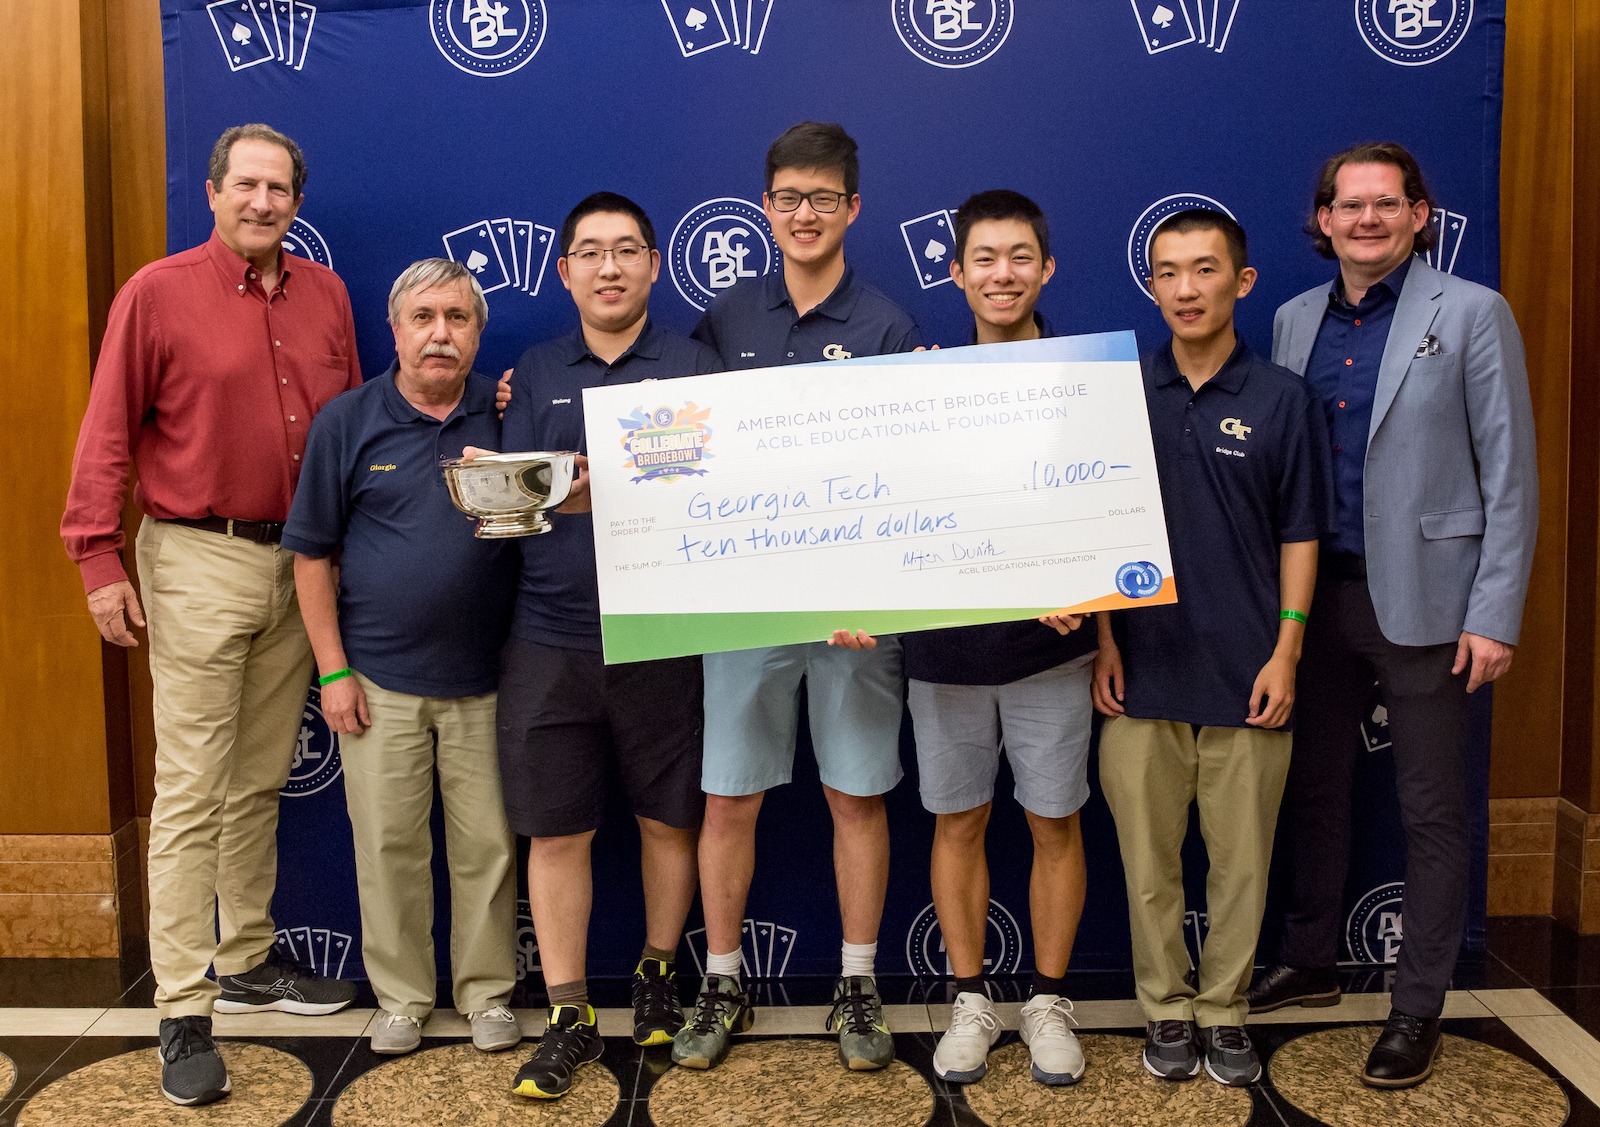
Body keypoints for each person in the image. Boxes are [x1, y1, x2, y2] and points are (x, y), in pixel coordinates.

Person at [60, 123, 358, 1106]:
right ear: (213, 191)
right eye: (247, 184)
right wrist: (98, 554)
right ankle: (183, 1008)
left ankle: (249, 955)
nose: (263, 201)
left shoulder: (326, 297)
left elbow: (352, 426)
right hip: (194, 556)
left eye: (279, 187)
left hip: (296, 565)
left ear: (296, 202)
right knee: (189, 786)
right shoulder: (156, 291)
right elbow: (106, 430)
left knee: (259, 778)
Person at [1248, 141, 1538, 1089]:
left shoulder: (1473, 313)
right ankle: (1309, 957)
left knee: (1430, 811)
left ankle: (1417, 1008)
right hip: (1311, 600)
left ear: (1419, 214)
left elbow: (1510, 475)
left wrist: (1494, 611)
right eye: (1348, 205)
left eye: (1386, 203)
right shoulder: (1291, 319)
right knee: (1314, 787)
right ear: (1323, 220)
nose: (1366, 219)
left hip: (1430, 601)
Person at [672, 121, 920, 1073]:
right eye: (787, 198)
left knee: (856, 795)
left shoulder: (889, 326)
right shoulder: (726, 318)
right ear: (766, 207)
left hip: (856, 613)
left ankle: (857, 986)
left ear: (853, 206)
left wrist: (881, 587)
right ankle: (723, 979)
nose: (804, 214)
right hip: (742, 605)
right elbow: (677, 445)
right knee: (728, 799)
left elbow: (910, 478)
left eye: (823, 198)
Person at [495, 193, 719, 1099]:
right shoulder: (534, 369)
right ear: (565, 272)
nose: (610, 267)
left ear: (656, 265)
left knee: (669, 817)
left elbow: (722, 491)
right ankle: (570, 1010)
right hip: (549, 637)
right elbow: (510, 506)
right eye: (590, 253)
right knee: (558, 829)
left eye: (628, 250)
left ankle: (659, 971)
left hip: (665, 630)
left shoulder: (696, 367)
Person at [1097, 209, 1324, 1087]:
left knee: (1240, 867)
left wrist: (1288, 652)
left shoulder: (1282, 399)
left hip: (1248, 673)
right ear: (1151, 284)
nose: (1186, 289)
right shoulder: (1119, 394)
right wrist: (1106, 641)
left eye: (1204, 270)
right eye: (1168, 272)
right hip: (1142, 671)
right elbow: (1096, 527)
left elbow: (1301, 532)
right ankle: (1165, 1007)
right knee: (1149, 867)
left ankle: (1224, 1011)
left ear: (1243, 281)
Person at [283, 258, 521, 1059]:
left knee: (487, 846)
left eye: (457, 318)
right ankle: (402, 999)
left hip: (490, 681)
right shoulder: (346, 422)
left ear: (477, 332)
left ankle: (487, 993)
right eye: (423, 317)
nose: (440, 334)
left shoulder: (504, 416)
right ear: (395, 329)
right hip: (377, 682)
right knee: (387, 847)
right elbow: (310, 555)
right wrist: (334, 670)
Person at [900, 190, 1097, 1087]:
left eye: (1021, 256)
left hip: (1051, 650)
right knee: (958, 818)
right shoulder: (919, 386)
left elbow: (1114, 509)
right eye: (985, 258)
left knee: (1054, 818)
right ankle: (972, 997)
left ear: (1046, 268)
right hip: (945, 648)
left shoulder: (1081, 381)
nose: (1003, 273)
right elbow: (884, 510)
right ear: (957, 273)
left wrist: (1090, 590)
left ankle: (1050, 998)